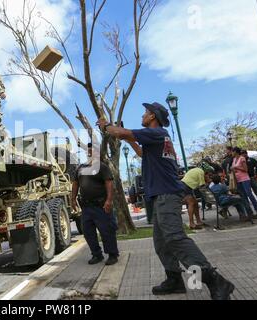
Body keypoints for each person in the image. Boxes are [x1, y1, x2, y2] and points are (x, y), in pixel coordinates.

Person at [97, 102, 235, 300]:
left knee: (175, 238)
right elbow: (141, 152)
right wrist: (128, 139)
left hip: (166, 195)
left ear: (153, 116)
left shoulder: (156, 133)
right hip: (162, 195)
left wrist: (105, 126)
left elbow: (119, 132)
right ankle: (175, 280)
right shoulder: (159, 138)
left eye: (145, 113)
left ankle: (215, 280)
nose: (142, 115)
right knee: (161, 243)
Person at [71, 144, 119, 266]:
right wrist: (73, 199)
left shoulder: (102, 167)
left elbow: (109, 184)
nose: (90, 153)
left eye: (93, 151)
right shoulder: (80, 168)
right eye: (89, 151)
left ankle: (112, 255)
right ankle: (97, 255)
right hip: (86, 207)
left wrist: (109, 200)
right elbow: (75, 184)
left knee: (107, 231)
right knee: (88, 233)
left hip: (101, 206)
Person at [181, 162, 214, 230]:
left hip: (186, 186)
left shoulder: (196, 169)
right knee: (191, 203)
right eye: (208, 173)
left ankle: (199, 222)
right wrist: (208, 181)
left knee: (195, 203)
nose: (208, 174)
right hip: (186, 186)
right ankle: (191, 224)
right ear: (206, 170)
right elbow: (202, 186)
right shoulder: (201, 172)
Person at [231, 147, 257, 218]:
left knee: (249, 194)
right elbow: (234, 168)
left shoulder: (242, 158)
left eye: (232, 151)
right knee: (243, 196)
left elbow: (245, 169)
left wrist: (236, 168)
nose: (232, 153)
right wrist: (232, 170)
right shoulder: (234, 159)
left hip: (244, 179)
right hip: (238, 180)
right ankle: (250, 212)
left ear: (235, 151)